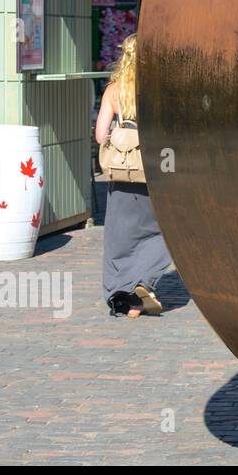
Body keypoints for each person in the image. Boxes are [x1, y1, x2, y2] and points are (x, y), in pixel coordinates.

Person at [95, 34, 173, 318]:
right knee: (164, 229)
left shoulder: (113, 91)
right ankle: (144, 281)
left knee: (119, 236)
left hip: (122, 174)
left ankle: (121, 295)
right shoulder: (158, 90)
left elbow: (100, 134)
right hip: (154, 171)